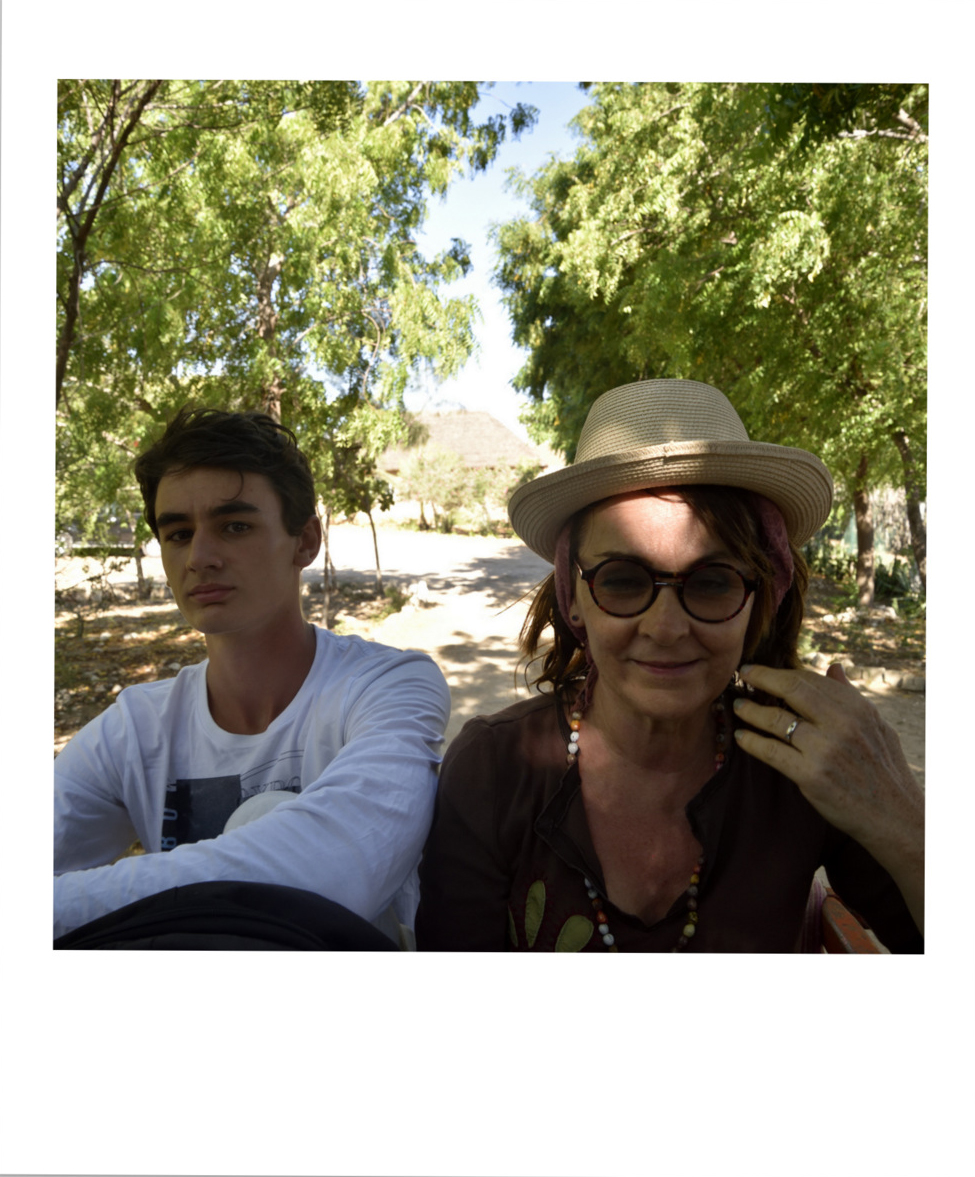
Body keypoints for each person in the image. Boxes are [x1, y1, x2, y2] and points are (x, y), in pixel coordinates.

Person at [415, 379, 923, 952]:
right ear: (573, 597)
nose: (666, 628)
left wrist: (902, 818)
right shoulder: (492, 771)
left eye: (712, 582)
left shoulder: (804, 774)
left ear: (759, 599)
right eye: (622, 580)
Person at [54, 407, 450, 947]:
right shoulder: (135, 729)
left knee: (268, 815)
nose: (200, 557)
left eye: (234, 526)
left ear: (305, 541)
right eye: (178, 533)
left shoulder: (388, 685)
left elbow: (335, 868)